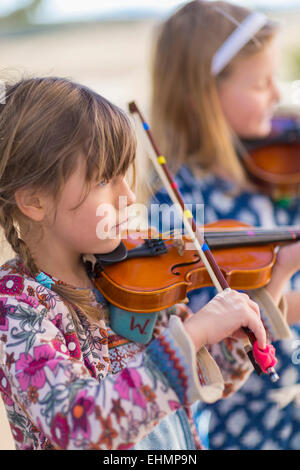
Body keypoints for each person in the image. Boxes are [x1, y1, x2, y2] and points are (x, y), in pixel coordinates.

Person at [1, 75, 292, 451]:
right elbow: (80, 427)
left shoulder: (126, 275)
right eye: (105, 179)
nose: (127, 192)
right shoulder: (19, 307)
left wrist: (272, 281)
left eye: (124, 174)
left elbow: (207, 379)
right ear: (34, 201)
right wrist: (192, 336)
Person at [150, 0, 300, 449]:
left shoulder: (275, 160)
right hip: (255, 418)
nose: (277, 94)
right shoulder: (180, 199)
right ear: (201, 96)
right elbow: (206, 317)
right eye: (260, 82)